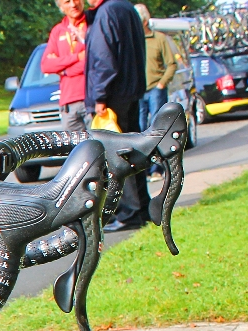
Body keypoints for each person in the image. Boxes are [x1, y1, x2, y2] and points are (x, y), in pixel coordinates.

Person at [84, 0, 148, 230]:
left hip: (113, 96)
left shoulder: (106, 12)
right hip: (130, 91)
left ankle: (130, 213)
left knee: (117, 156)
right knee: (133, 152)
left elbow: (104, 58)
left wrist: (99, 96)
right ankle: (141, 209)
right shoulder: (127, 8)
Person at [41, 0, 90, 131]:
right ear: (61, 7)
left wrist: (64, 71)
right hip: (68, 103)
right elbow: (46, 65)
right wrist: (77, 57)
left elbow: (93, 61)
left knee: (99, 146)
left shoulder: (92, 24)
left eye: (76, 0)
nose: (73, 4)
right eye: (67, 1)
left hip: (91, 99)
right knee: (73, 150)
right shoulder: (58, 31)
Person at [136, 4, 177, 129]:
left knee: (156, 126)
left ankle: (157, 148)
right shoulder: (132, 41)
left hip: (155, 88)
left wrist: (161, 84)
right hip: (138, 92)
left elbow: (172, 64)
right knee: (139, 127)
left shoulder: (159, 38)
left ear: (145, 21)